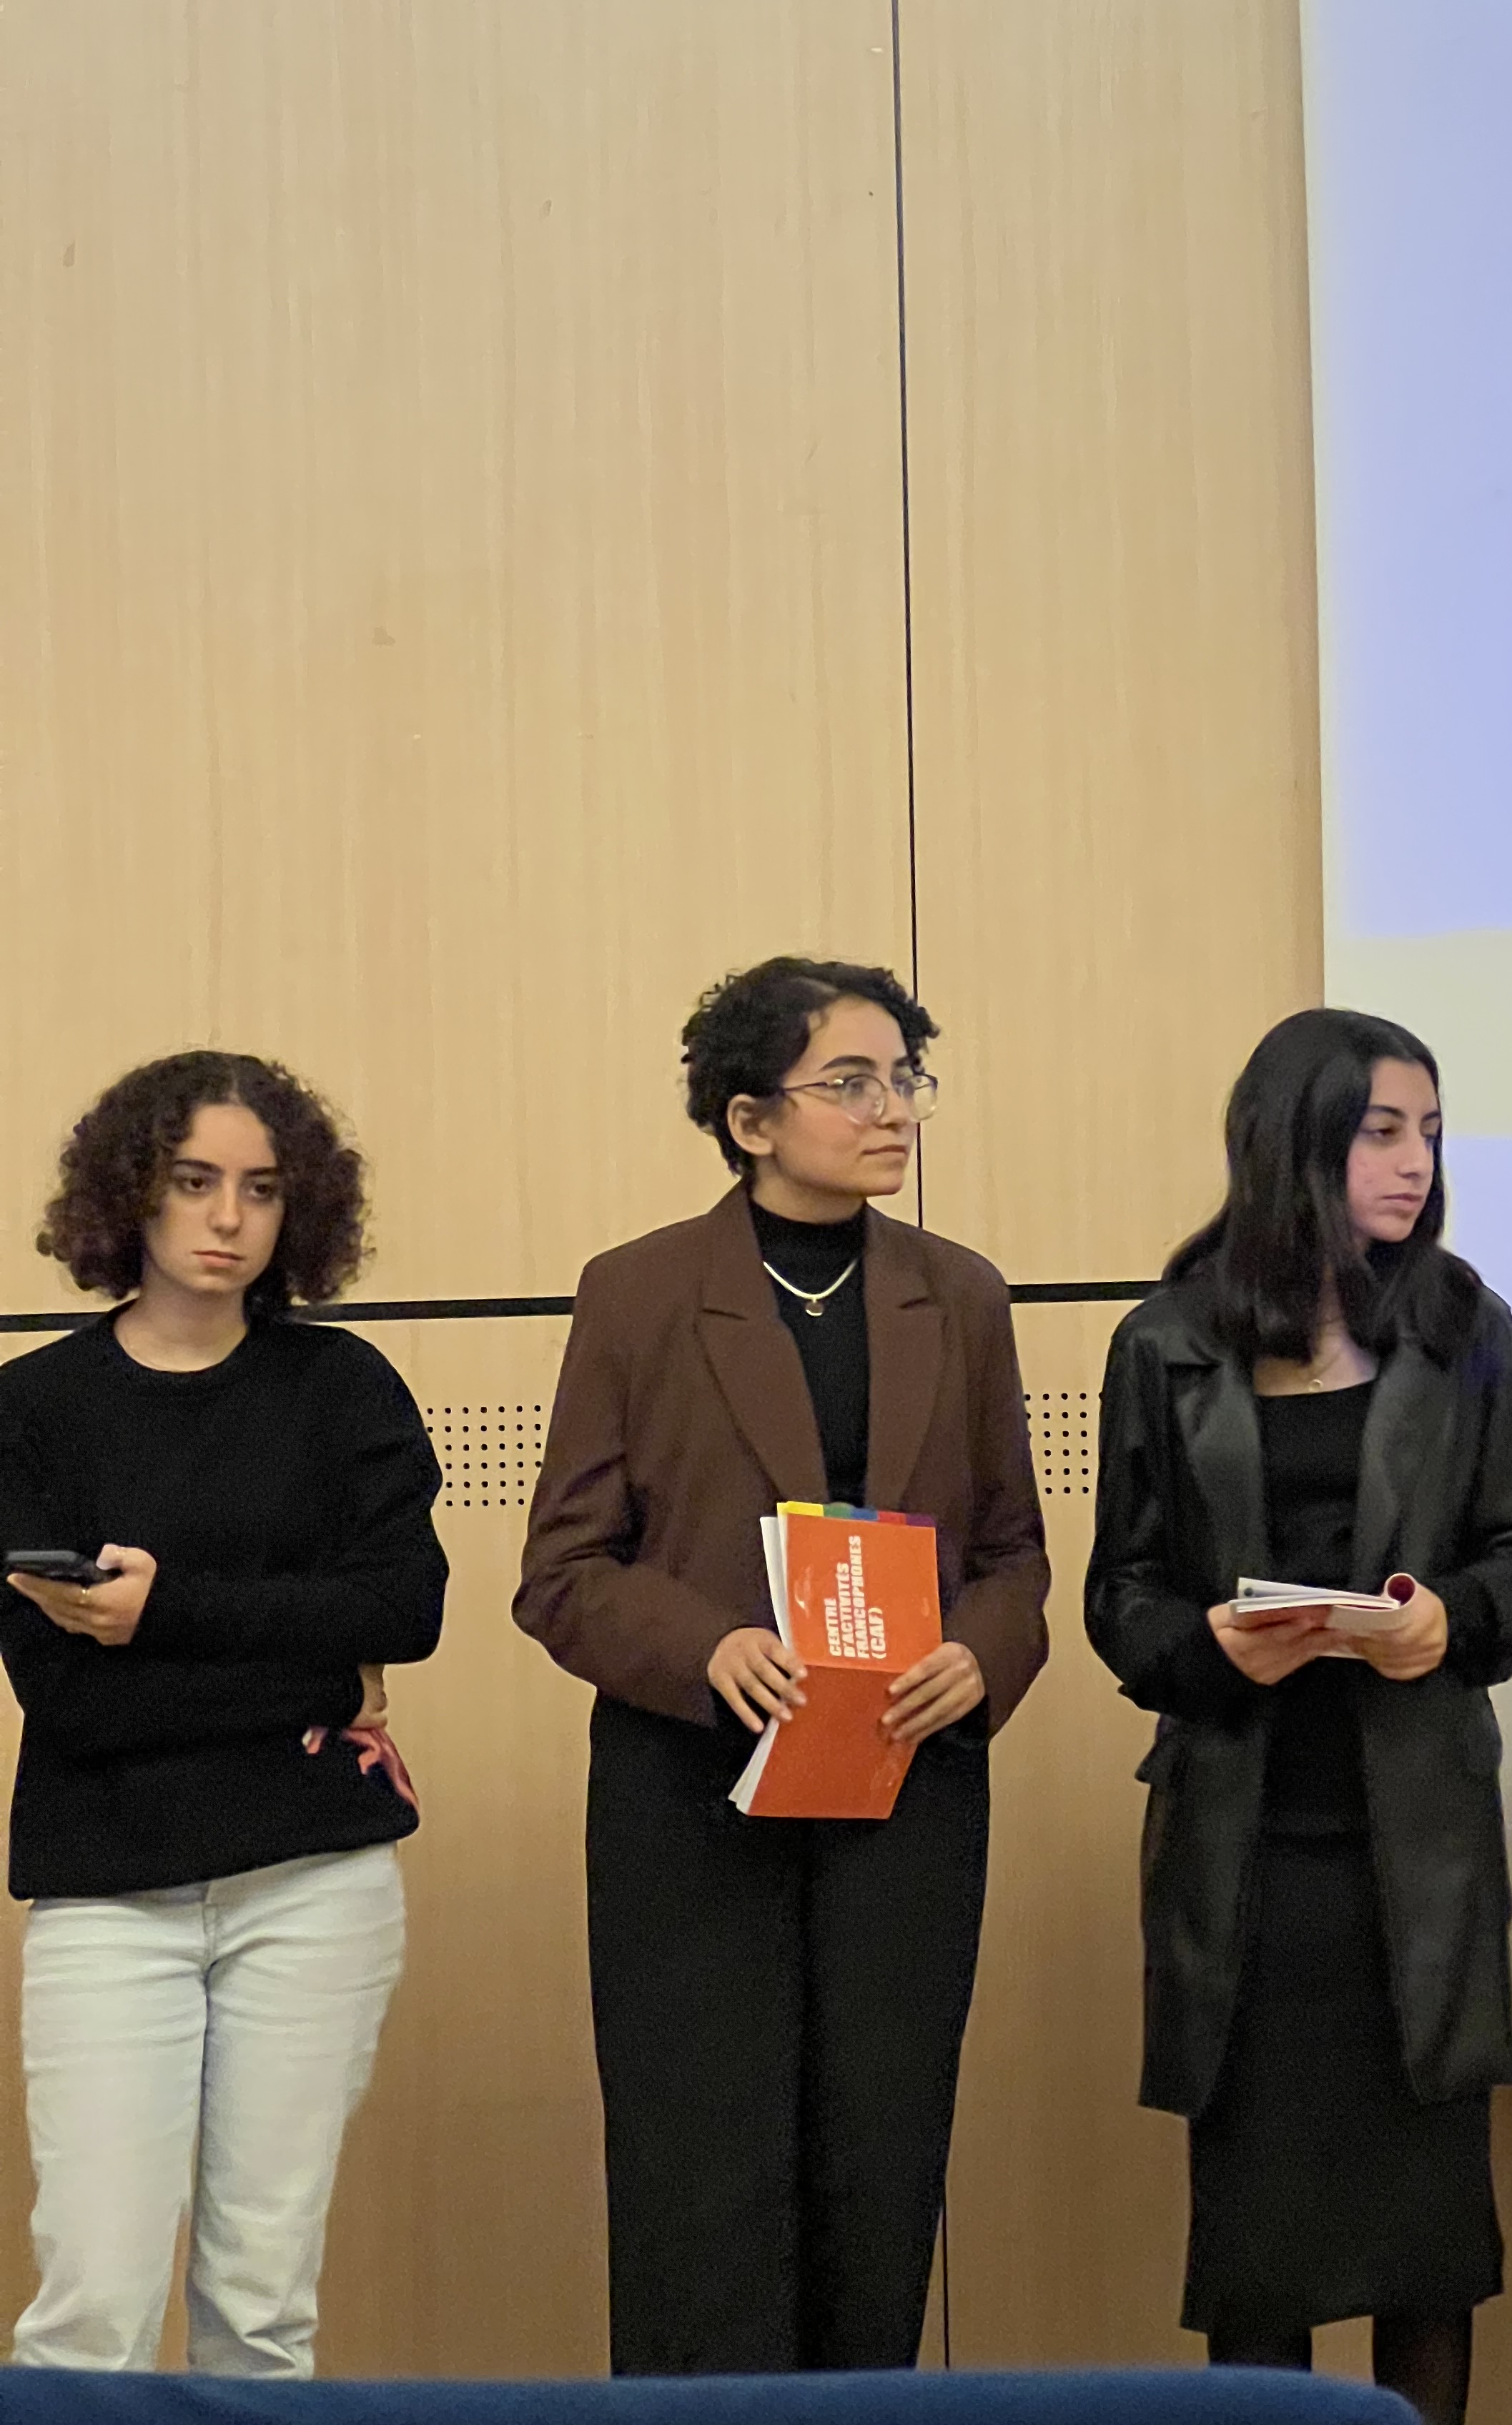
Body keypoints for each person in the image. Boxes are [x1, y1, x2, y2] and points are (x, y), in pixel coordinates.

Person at [514, 955, 1051, 2376]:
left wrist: (978, 1657)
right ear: (750, 1119)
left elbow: (1015, 1558)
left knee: (880, 2168)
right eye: (852, 1084)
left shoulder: (962, 1295)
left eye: (907, 1080)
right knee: (701, 2183)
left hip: (903, 1783)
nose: (895, 1112)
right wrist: (710, 1647)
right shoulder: (639, 1293)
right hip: (692, 1791)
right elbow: (562, 1571)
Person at [1085, 1007, 1512, 2425]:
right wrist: (1216, 1650)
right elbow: (1121, 1598)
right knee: (1260, 2261)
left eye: (1431, 1134)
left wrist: (1447, 1623)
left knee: (1429, 2256)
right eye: (1382, 1132)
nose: (1416, 1163)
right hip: (1248, 1853)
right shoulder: (1167, 1340)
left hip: (1417, 1850)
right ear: (1294, 1140)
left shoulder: (1465, 1326)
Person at [0, 1051, 448, 2375]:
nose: (227, 1218)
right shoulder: (31, 1408)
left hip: (314, 1883)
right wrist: (326, 1679)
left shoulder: (344, 1387)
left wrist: (165, 1614)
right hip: (108, 1889)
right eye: (194, 1181)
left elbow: (406, 1609)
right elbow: (70, 1700)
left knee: (262, 2307)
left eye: (260, 1189)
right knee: (92, 2301)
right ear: (129, 1193)